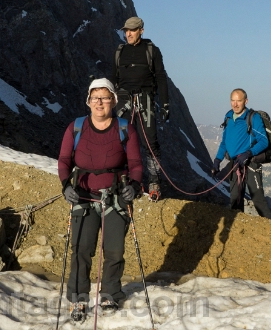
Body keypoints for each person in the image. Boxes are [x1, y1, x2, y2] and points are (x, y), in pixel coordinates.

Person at [57, 78, 143, 322]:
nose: (100, 102)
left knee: (114, 250)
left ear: (114, 101)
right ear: (88, 101)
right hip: (83, 196)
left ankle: (110, 293)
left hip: (115, 196)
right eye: (95, 98)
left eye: (105, 98)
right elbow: (64, 161)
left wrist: (134, 186)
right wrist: (65, 186)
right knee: (81, 249)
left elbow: (136, 163)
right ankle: (78, 299)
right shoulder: (76, 127)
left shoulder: (125, 128)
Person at [113, 16, 169, 199]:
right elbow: (115, 78)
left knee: (150, 142)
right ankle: (124, 180)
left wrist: (165, 103)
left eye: (132, 30)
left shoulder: (151, 50)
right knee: (122, 141)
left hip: (145, 100)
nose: (128, 33)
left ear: (141, 30)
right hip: (123, 101)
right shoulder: (120, 51)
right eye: (126, 30)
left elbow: (161, 76)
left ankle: (154, 183)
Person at [213, 88, 271, 220]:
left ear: (245, 101)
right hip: (235, 164)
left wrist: (248, 153)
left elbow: (264, 141)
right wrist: (217, 160)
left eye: (239, 101)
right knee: (235, 200)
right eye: (233, 100)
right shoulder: (228, 117)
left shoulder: (253, 118)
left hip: (251, 163)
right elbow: (225, 142)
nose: (235, 104)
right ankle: (237, 229)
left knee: (258, 199)